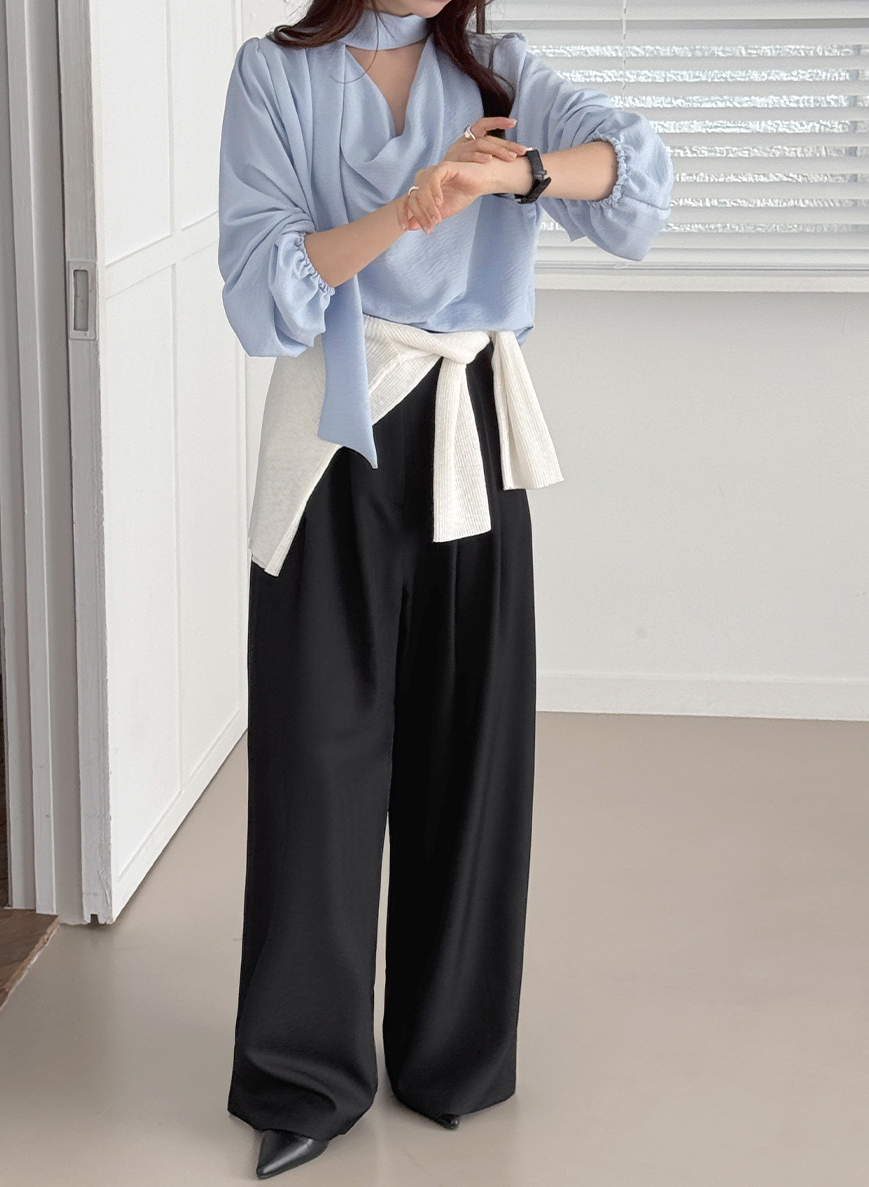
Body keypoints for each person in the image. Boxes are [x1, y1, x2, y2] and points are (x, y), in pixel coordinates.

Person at [217, 1, 673, 1178]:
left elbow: (635, 176)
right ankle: (303, 1079)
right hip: (336, 428)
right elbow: (261, 287)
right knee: (316, 756)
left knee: (471, 747)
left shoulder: (500, 69)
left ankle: (450, 1053)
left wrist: (514, 171)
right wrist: (407, 210)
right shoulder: (274, 77)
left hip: (472, 423)